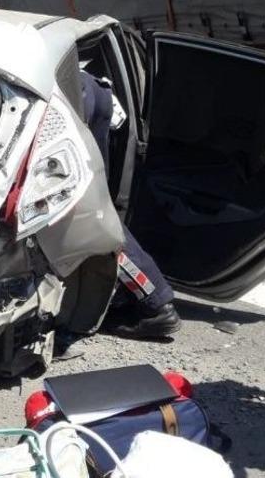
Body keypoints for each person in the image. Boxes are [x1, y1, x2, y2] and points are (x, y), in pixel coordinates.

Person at [78, 72, 181, 339]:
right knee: (92, 204)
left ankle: (156, 306)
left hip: (64, 93)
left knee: (87, 213)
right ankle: (120, 293)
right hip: (87, 87)